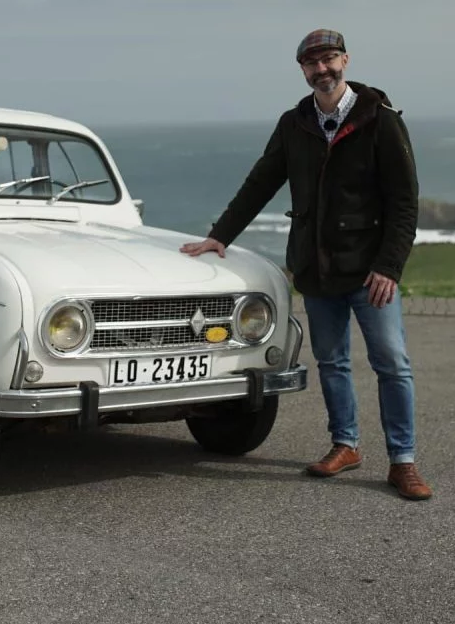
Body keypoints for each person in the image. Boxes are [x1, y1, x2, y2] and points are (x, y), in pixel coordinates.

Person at [179, 28, 432, 500]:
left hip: (370, 270)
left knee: (392, 363)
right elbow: (261, 181)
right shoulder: (294, 123)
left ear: (346, 61)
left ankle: (403, 460)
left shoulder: (381, 119)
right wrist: (219, 237)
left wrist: (390, 267)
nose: (323, 69)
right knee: (332, 361)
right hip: (317, 268)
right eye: (313, 63)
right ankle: (346, 444)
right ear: (302, 70)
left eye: (331, 59)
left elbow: (404, 203)